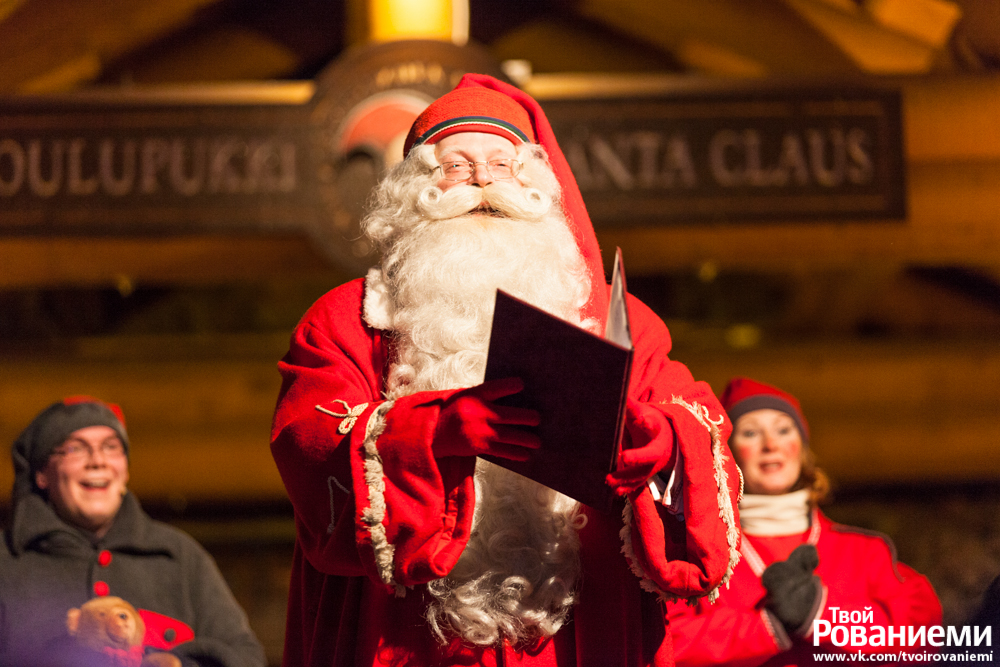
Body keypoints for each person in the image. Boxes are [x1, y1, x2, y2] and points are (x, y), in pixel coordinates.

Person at [269, 73, 743, 667]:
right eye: (458, 167)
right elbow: (307, 448)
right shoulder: (348, 320)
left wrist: (658, 445)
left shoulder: (617, 319)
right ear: (417, 189)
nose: (483, 184)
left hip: (577, 638)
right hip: (406, 641)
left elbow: (694, 423)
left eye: (501, 164)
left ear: (537, 186)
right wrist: (433, 430)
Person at [667, 377, 943, 666]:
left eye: (783, 430)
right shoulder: (700, 555)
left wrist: (823, 615)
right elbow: (667, 644)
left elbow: (921, 634)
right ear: (727, 454)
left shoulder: (866, 551)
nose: (770, 444)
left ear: (801, 447)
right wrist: (766, 627)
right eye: (750, 433)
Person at [0, 396, 267, 667]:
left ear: (125, 470)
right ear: (42, 474)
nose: (98, 461)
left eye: (111, 447)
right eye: (75, 449)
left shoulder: (179, 557)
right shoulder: (6, 561)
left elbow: (246, 658)